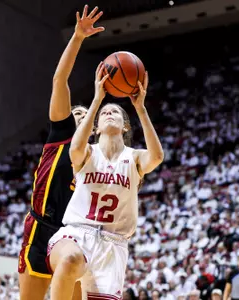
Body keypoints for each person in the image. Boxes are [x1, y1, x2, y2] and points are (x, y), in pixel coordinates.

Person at [47, 63, 164, 300]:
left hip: (114, 244)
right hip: (77, 233)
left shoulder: (134, 158)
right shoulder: (87, 153)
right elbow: (75, 147)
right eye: (104, 114)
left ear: (125, 127)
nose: (109, 114)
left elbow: (157, 156)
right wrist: (97, 99)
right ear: (96, 128)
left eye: (116, 113)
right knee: (70, 260)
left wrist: (140, 108)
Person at [17, 5, 104, 300]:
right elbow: (59, 80)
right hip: (41, 229)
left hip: (74, 235)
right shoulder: (61, 134)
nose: (79, 115)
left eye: (84, 115)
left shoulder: (96, 158)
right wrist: (78, 38)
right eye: (75, 113)